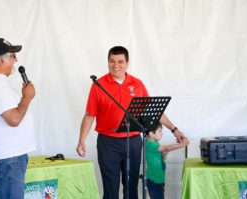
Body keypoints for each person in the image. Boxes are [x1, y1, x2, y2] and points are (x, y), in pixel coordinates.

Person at [76, 46, 186, 199]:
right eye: (112, 61)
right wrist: (81, 140)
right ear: (108, 62)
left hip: (133, 142)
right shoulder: (98, 85)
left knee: (131, 188)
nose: (116, 65)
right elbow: (89, 115)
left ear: (127, 63)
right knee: (110, 189)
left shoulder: (137, 84)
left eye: (120, 62)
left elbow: (155, 111)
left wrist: (174, 129)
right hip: (108, 143)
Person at [0, 38, 36, 199]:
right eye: (12, 56)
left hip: (9, 157)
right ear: (1, 60)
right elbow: (14, 119)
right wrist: (27, 98)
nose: (16, 60)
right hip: (8, 158)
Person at [146, 123, 189, 199]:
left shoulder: (155, 143)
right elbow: (166, 148)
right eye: (159, 131)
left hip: (159, 179)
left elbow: (162, 154)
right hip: (154, 181)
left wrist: (164, 154)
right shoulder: (149, 144)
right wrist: (183, 144)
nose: (162, 133)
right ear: (151, 133)